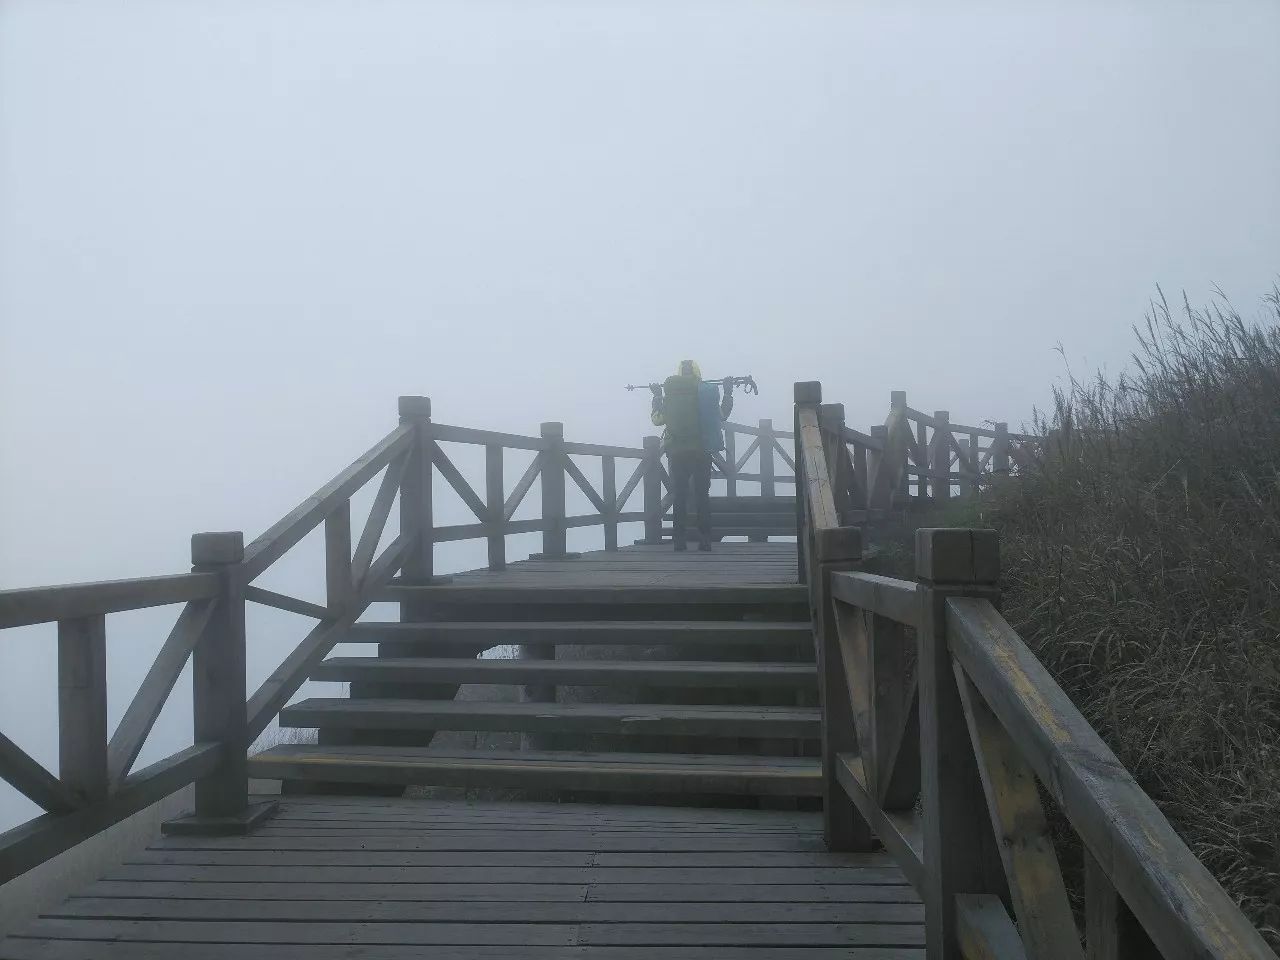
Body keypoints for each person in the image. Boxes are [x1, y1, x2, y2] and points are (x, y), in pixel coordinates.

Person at [650, 360, 734, 551]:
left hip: (676, 453)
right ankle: (705, 538)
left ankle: (679, 540)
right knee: (702, 495)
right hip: (701, 452)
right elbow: (721, 415)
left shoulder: (669, 394)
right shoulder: (704, 392)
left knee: (679, 495)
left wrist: (657, 396)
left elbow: (657, 419)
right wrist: (728, 392)